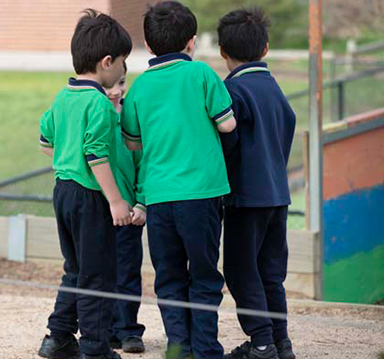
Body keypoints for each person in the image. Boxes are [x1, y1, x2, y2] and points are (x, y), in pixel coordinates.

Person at [120, 2, 236, 358]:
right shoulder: (202, 75)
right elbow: (227, 123)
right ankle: (206, 348)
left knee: (168, 276)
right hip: (202, 194)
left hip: (157, 197)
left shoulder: (139, 87)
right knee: (204, 274)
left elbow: (132, 142)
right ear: (192, 41)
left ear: (150, 46)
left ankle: (179, 346)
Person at [37, 9, 133, 359]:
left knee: (76, 269)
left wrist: (68, 161)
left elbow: (46, 140)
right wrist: (116, 201)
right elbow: (96, 156)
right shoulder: (99, 103)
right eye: (123, 62)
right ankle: (95, 349)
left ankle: (58, 337)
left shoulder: (63, 97)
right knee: (98, 276)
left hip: (63, 190)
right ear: (108, 62)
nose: (123, 70)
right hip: (91, 197)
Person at [217, 8, 297, 359]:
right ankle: (281, 341)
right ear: (265, 48)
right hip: (278, 194)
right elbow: (288, 127)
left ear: (222, 52)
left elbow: (227, 144)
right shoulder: (273, 87)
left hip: (246, 197)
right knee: (271, 271)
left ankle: (261, 342)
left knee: (239, 268)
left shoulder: (232, 90)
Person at [104, 64, 147, 354]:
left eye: (121, 83)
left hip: (129, 214)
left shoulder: (132, 120)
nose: (116, 91)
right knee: (98, 273)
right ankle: (103, 330)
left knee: (128, 273)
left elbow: (144, 164)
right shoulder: (92, 115)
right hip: (98, 213)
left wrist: (142, 202)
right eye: (109, 86)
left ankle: (128, 330)